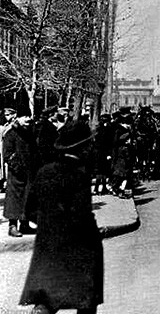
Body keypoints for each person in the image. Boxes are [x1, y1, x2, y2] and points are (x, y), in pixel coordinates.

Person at [19, 122, 103, 314]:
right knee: (86, 297)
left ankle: (41, 310)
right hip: (79, 247)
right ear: (82, 148)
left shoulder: (44, 171)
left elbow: (30, 209)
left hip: (48, 244)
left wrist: (49, 224)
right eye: (88, 144)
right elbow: (81, 215)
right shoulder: (79, 175)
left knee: (49, 293)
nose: (91, 148)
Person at [3, 109, 38, 237]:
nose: (28, 119)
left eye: (29, 116)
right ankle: (12, 226)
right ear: (18, 117)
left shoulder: (30, 133)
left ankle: (25, 224)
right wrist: (18, 168)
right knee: (14, 200)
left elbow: (35, 151)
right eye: (25, 116)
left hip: (29, 173)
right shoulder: (11, 134)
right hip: (17, 174)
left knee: (27, 199)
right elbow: (7, 155)